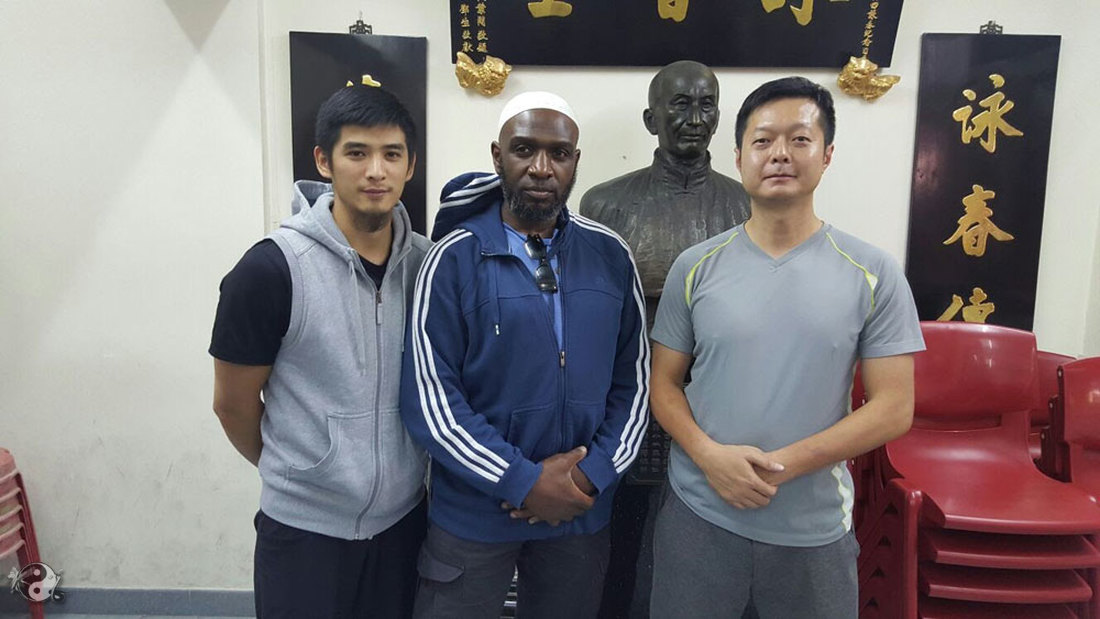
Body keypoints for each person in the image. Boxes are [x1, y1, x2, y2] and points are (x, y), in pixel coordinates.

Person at [648, 76, 925, 618]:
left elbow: (895, 407)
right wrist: (710, 458)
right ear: (738, 158)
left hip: (813, 528)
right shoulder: (695, 266)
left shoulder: (873, 272)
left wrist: (782, 466)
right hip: (699, 513)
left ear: (827, 155)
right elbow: (663, 384)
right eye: (762, 140)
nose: (779, 154)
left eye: (799, 139)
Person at [401, 91, 649, 619]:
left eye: (558, 153)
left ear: (575, 161)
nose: (541, 168)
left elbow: (635, 386)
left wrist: (589, 476)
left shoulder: (610, 254)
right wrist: (524, 481)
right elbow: (431, 399)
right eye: (523, 150)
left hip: (579, 512)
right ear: (498, 156)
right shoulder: (452, 258)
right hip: (474, 514)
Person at [210, 85, 431, 618]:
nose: (375, 171)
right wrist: (305, 471)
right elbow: (233, 405)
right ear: (323, 161)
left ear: (410, 166)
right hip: (303, 534)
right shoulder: (270, 270)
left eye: (391, 154)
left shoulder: (428, 267)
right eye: (357, 152)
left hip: (404, 526)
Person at [579, 60, 751, 618]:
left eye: (707, 104)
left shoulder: (747, 204)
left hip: (716, 402)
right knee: (622, 552)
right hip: (628, 397)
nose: (695, 118)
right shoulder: (604, 204)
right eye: (680, 104)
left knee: (708, 558)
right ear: (651, 119)